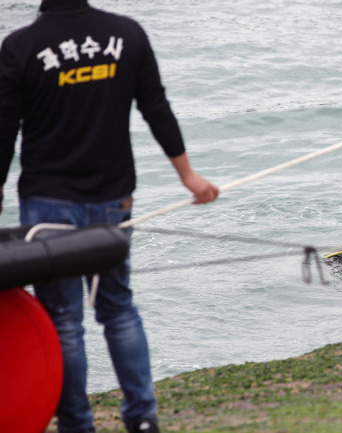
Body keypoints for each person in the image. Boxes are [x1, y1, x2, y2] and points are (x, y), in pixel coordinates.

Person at [0, 1, 219, 432]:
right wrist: (188, 176)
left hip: (47, 202)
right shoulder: (127, 34)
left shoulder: (19, 47)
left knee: (63, 320)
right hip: (112, 198)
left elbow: (4, 134)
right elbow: (156, 107)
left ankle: (77, 425)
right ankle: (142, 418)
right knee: (117, 309)